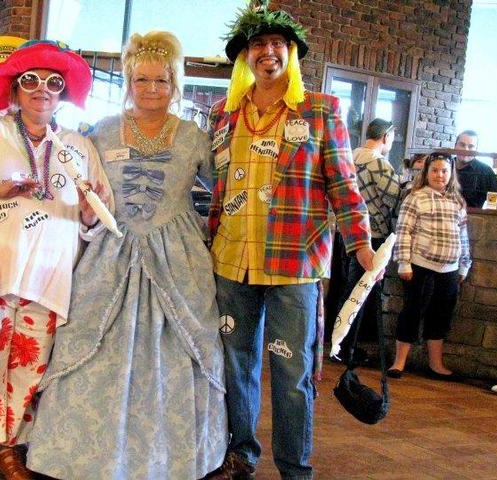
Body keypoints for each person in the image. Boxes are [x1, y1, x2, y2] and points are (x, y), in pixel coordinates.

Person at [27, 31, 228, 480]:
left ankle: (169, 460)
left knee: (175, 353)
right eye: (142, 80)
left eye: (161, 80)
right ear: (128, 81)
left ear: (174, 84)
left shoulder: (195, 137)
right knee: (93, 346)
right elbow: (76, 187)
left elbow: (226, 190)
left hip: (177, 260)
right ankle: (88, 458)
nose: (152, 89)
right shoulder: (99, 132)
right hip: (111, 253)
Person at [206, 4, 373, 479]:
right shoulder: (224, 114)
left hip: (294, 263)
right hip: (231, 260)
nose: (268, 51)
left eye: (278, 43)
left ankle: (294, 468)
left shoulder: (320, 109)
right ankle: (241, 454)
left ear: (292, 52)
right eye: (258, 44)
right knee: (235, 365)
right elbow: (217, 187)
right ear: (246, 56)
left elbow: (343, 183)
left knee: (291, 372)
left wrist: (361, 243)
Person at [0, 40, 110, 480]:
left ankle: (8, 449)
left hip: (49, 277)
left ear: (64, 91)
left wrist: (90, 212)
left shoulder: (79, 146)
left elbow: (96, 214)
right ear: (14, 88)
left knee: (28, 367)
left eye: (53, 82)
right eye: (30, 80)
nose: (41, 90)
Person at [388, 152, 471, 381]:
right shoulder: (415, 197)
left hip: (449, 269)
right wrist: (404, 262)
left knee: (441, 316)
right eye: (435, 170)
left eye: (444, 171)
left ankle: (436, 364)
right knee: (412, 312)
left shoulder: (457, 201)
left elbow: (463, 235)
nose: (439, 175)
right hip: (420, 265)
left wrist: (464, 265)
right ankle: (399, 362)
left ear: (451, 174)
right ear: (426, 172)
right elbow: (404, 231)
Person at [335, 118, 400, 359]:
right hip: (370, 234)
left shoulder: (350, 156)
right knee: (359, 290)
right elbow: (394, 199)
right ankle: (346, 347)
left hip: (344, 231)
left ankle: (340, 343)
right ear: (386, 137)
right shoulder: (379, 164)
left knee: (345, 286)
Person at [454, 130, 497, 208]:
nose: (466, 149)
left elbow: (495, 201)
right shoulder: (445, 166)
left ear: (476, 149)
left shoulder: (485, 171)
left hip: (472, 215)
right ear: (455, 146)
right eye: (462, 145)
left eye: (471, 146)